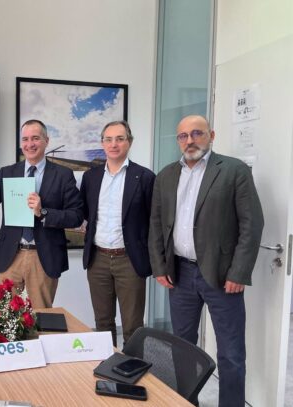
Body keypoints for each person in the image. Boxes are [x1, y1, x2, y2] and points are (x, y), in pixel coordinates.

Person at [148, 115, 264, 406]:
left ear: (211, 135)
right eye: (183, 136)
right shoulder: (166, 176)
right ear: (178, 140)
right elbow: (156, 225)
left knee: (231, 353)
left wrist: (239, 272)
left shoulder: (234, 170)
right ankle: (186, 402)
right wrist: (160, 267)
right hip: (180, 275)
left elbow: (252, 225)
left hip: (223, 276)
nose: (190, 141)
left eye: (197, 133)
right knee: (182, 348)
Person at [0, 119, 83, 308]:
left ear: (46, 141)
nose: (30, 144)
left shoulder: (63, 175)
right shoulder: (7, 173)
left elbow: (76, 216)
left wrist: (43, 212)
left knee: (41, 316)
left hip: (43, 257)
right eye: (25, 139)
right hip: (11, 254)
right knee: (5, 315)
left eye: (35, 138)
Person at [80, 120, 155, 347]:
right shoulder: (91, 177)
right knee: (102, 323)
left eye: (120, 139)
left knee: (132, 326)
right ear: (102, 143)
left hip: (129, 260)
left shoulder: (144, 177)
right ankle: (109, 364)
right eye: (109, 139)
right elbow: (82, 212)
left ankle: (131, 367)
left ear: (129, 142)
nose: (114, 144)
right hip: (98, 259)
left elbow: (154, 221)